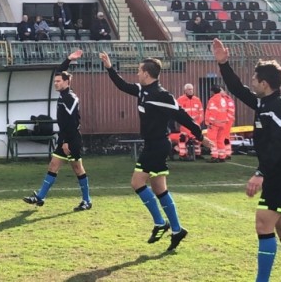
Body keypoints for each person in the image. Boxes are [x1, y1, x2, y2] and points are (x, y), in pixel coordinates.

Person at [212, 38, 281, 282]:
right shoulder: (264, 102)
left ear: (264, 83)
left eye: (254, 79)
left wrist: (260, 173)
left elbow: (278, 145)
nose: (251, 82)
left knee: (263, 223)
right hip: (278, 174)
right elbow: (238, 89)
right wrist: (223, 64)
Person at [98, 51, 210, 251]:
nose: (137, 74)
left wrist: (200, 136)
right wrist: (109, 67)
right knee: (159, 189)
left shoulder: (162, 95)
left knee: (136, 182)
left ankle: (160, 223)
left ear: (147, 74)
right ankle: (177, 230)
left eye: (140, 70)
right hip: (154, 144)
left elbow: (183, 117)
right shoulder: (142, 89)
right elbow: (122, 85)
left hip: (157, 145)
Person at [23, 50, 92, 211]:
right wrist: (68, 59)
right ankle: (40, 197)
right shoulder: (63, 94)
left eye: (59, 81)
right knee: (53, 165)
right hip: (64, 137)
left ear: (67, 82)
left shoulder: (70, 98)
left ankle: (87, 200)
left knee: (77, 168)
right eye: (55, 82)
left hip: (72, 138)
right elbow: (59, 72)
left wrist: (67, 141)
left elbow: (71, 123)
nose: (56, 83)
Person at [204, 84, 235, 163]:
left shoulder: (213, 99)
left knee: (212, 140)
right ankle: (222, 156)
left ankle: (214, 156)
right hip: (222, 123)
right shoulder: (223, 99)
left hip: (214, 123)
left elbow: (213, 111)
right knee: (220, 140)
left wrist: (210, 122)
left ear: (212, 91)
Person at [176, 83, 204, 160]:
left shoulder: (197, 99)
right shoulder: (180, 99)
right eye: (189, 89)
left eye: (191, 89)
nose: (191, 90)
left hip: (196, 124)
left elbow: (201, 112)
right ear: (185, 90)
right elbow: (178, 112)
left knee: (197, 139)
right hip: (185, 125)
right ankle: (182, 154)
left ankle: (198, 154)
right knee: (182, 138)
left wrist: (198, 122)